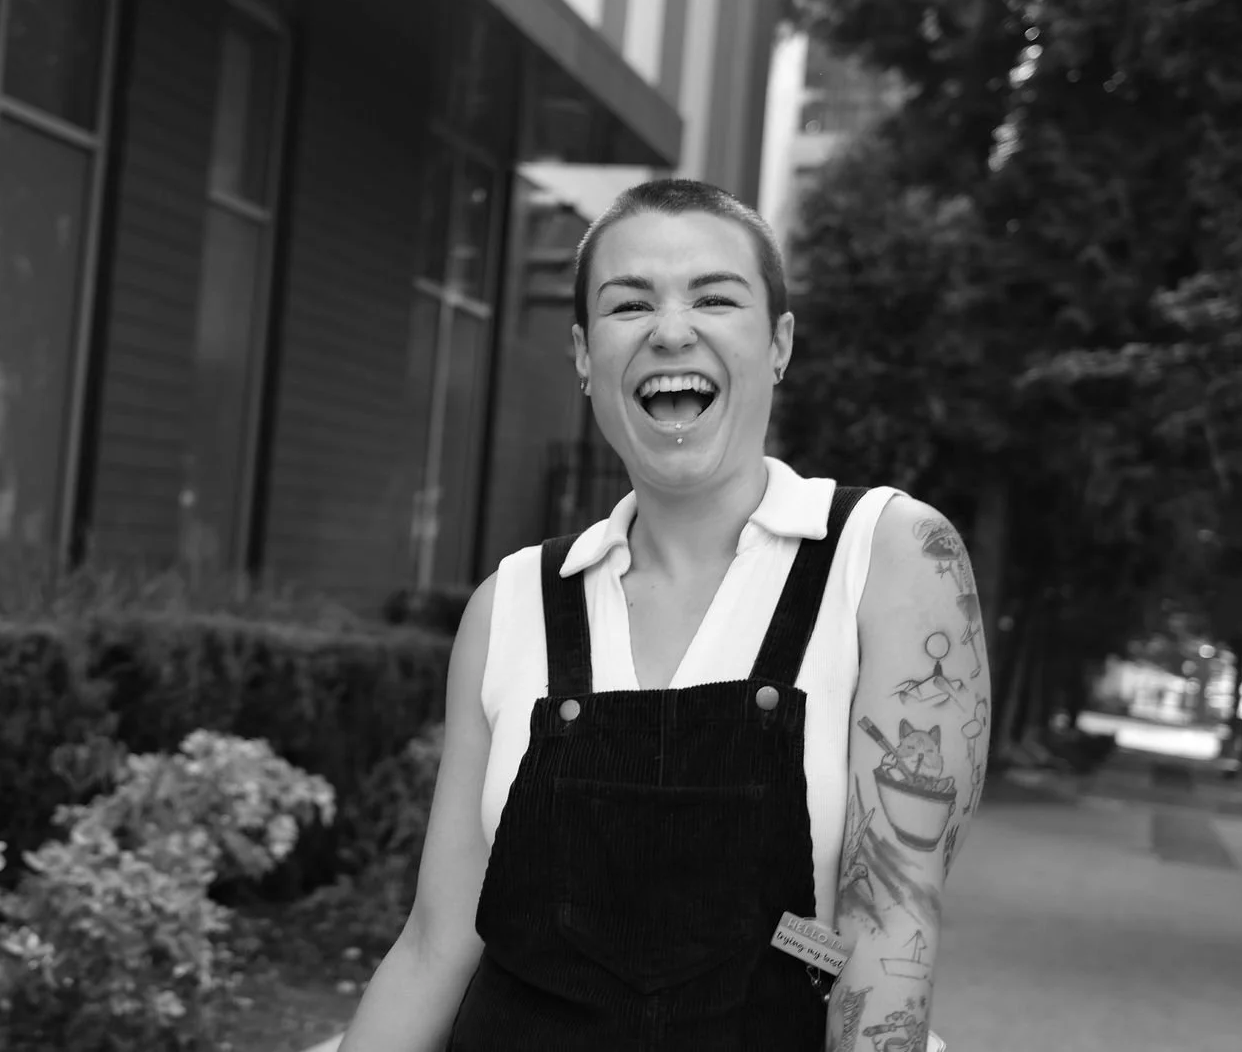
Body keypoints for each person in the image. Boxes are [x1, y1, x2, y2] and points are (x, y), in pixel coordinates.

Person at [340, 179, 988, 1050]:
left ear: (779, 342)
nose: (671, 330)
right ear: (583, 353)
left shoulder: (887, 556)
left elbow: (888, 928)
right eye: (629, 303)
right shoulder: (514, 603)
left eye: (715, 298)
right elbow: (435, 945)